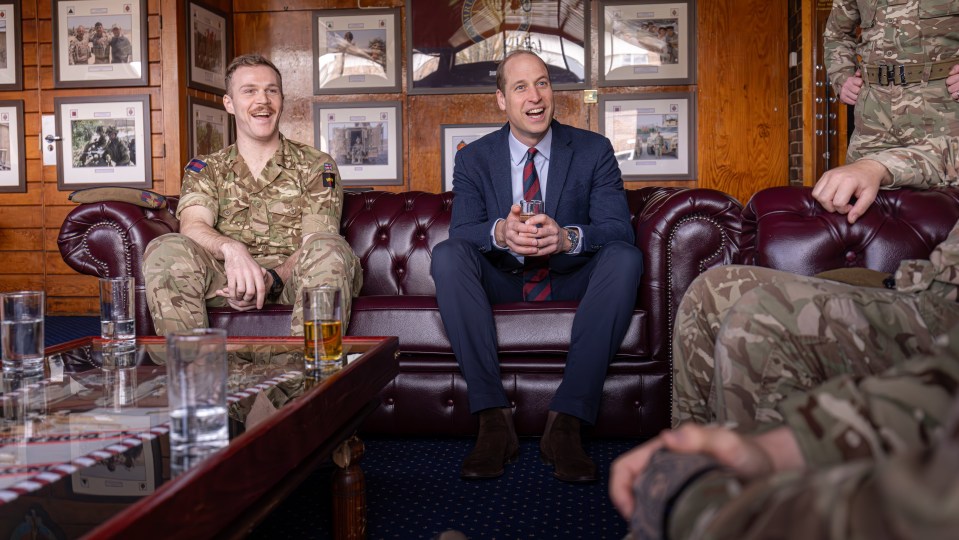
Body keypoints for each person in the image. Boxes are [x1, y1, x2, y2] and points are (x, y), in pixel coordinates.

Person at [429, 50, 643, 483]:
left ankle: (566, 422)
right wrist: (500, 234)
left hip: (571, 280)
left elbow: (618, 229)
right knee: (447, 255)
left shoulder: (593, 150)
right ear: (501, 100)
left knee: (625, 256)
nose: (535, 97)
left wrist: (569, 238)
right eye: (521, 87)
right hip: (503, 281)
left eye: (542, 83)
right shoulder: (474, 158)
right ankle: (493, 420)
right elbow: (462, 232)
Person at [672, 135, 959, 429]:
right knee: (713, 290)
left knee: (768, 311)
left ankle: (754, 466)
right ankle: (695, 460)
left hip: (946, 316)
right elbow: (950, 151)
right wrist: (874, 166)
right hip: (928, 286)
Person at [142, 54, 362, 336]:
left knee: (328, 247)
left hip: (295, 282)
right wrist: (231, 249)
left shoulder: (317, 164)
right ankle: (194, 372)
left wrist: (272, 277)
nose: (263, 100)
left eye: (271, 90)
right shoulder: (207, 168)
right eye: (249, 91)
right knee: (166, 247)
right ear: (229, 103)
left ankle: (312, 376)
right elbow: (193, 226)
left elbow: (316, 241)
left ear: (281, 100)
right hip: (227, 281)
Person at [819, 0, 959, 225]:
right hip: (872, 116)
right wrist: (841, 77)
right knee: (856, 208)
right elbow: (836, 35)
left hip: (943, 110)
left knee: (942, 215)